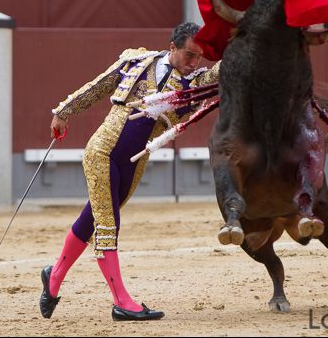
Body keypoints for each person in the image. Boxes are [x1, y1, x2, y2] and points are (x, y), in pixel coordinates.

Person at [40, 23, 220, 321]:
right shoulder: (137, 61)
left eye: (199, 57)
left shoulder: (196, 82)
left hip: (134, 162)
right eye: (189, 54)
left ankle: (54, 277)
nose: (194, 62)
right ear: (172, 47)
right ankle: (122, 301)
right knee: (108, 224)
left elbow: (223, 71)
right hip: (102, 152)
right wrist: (64, 112)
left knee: (91, 220)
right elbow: (98, 86)